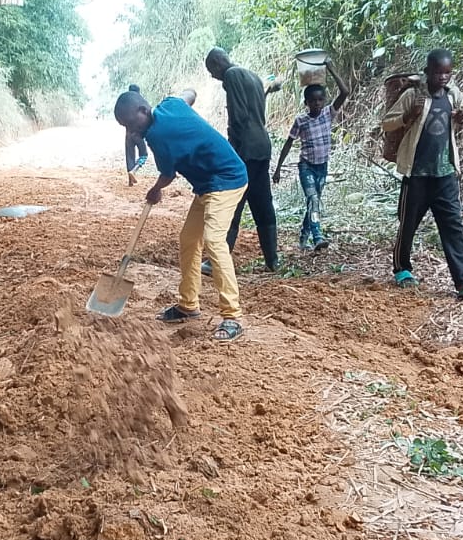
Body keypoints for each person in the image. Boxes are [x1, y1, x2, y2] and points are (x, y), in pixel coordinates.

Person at [114, 88, 248, 342]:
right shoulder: (171, 104)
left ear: (143, 111)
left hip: (228, 179)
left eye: (131, 125)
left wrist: (155, 190)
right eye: (125, 127)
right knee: (189, 239)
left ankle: (233, 316)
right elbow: (190, 94)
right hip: (208, 184)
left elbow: (168, 175)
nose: (131, 132)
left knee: (214, 241)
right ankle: (189, 304)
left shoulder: (157, 137)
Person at [382, 49, 463, 297]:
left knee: (453, 225)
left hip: (445, 173)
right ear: (427, 72)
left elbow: (462, 114)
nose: (442, 77)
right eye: (437, 72)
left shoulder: (453, 94)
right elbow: (387, 122)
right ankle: (402, 268)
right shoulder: (413, 95)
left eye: (447, 72)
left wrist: (462, 116)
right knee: (408, 223)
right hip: (417, 173)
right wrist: (409, 115)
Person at [204, 47, 283, 273]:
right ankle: (272, 260)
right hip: (262, 145)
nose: (213, 76)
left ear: (218, 63)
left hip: (245, 147)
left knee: (233, 201)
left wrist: (231, 148)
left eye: (211, 70)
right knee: (262, 201)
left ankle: (216, 260)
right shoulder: (254, 76)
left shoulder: (231, 75)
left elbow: (237, 116)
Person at [273, 76, 351, 251]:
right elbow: (288, 143)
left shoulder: (328, 114)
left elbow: (345, 92)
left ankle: (303, 237)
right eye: (313, 100)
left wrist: (330, 68)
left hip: (322, 167)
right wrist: (278, 168)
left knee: (312, 203)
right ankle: (317, 236)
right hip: (306, 166)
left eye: (320, 99)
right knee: (313, 199)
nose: (317, 103)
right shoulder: (301, 121)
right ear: (306, 102)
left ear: (324, 100)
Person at [124, 84, 149, 186]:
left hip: (128, 134)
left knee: (130, 156)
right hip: (138, 135)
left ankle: (130, 181)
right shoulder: (140, 103)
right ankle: (134, 171)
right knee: (144, 154)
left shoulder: (126, 103)